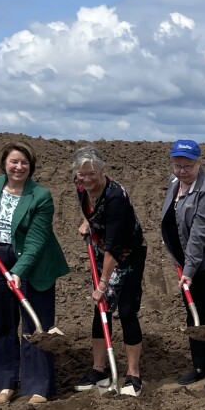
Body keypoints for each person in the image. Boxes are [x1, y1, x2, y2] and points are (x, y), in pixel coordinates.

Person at [0, 141, 70, 405]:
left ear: (31, 166)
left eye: (24, 162)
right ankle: (5, 382)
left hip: (33, 262)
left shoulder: (41, 196)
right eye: (14, 161)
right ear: (4, 163)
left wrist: (18, 271)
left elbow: (36, 240)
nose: (19, 166)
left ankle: (38, 386)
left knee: (36, 323)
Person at [160, 139, 205, 392]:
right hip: (186, 260)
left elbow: (199, 235)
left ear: (198, 162)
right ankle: (199, 365)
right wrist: (180, 260)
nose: (182, 171)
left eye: (188, 166)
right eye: (178, 165)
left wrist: (189, 270)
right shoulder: (175, 184)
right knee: (192, 312)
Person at [72, 146, 148, 397]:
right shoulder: (82, 187)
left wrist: (102, 284)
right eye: (81, 175)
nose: (86, 179)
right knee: (101, 310)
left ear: (102, 171)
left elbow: (115, 248)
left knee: (126, 311)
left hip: (127, 254)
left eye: (91, 174)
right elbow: (89, 209)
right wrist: (88, 222)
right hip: (102, 249)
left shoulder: (116, 197)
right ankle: (99, 370)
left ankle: (133, 375)